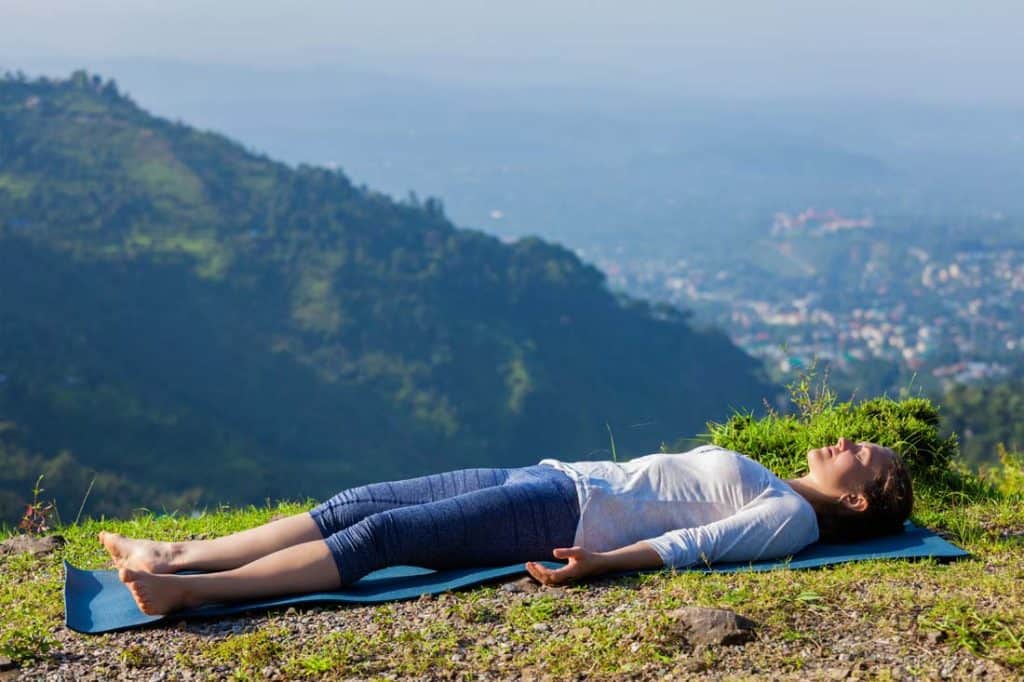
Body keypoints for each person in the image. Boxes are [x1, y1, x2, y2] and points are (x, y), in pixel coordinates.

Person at [100, 437, 912, 615]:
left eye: (861, 457)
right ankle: (178, 551)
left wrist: (605, 562)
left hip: (566, 514)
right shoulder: (783, 484)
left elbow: (694, 546)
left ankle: (190, 591)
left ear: (861, 501)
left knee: (386, 541)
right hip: (556, 477)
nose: (845, 441)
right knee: (361, 503)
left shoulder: (791, 521)